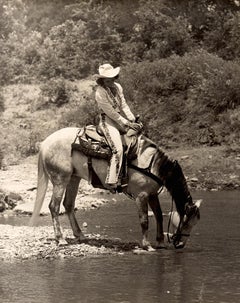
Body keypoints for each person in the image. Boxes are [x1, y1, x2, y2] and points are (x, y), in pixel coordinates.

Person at [95, 63, 141, 191]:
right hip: (107, 120)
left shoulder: (118, 87)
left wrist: (132, 119)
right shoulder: (100, 92)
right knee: (118, 149)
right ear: (102, 79)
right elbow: (110, 112)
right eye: (107, 79)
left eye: (112, 78)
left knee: (137, 141)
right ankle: (112, 181)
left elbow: (124, 105)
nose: (110, 81)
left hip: (119, 119)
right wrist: (127, 123)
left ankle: (133, 174)